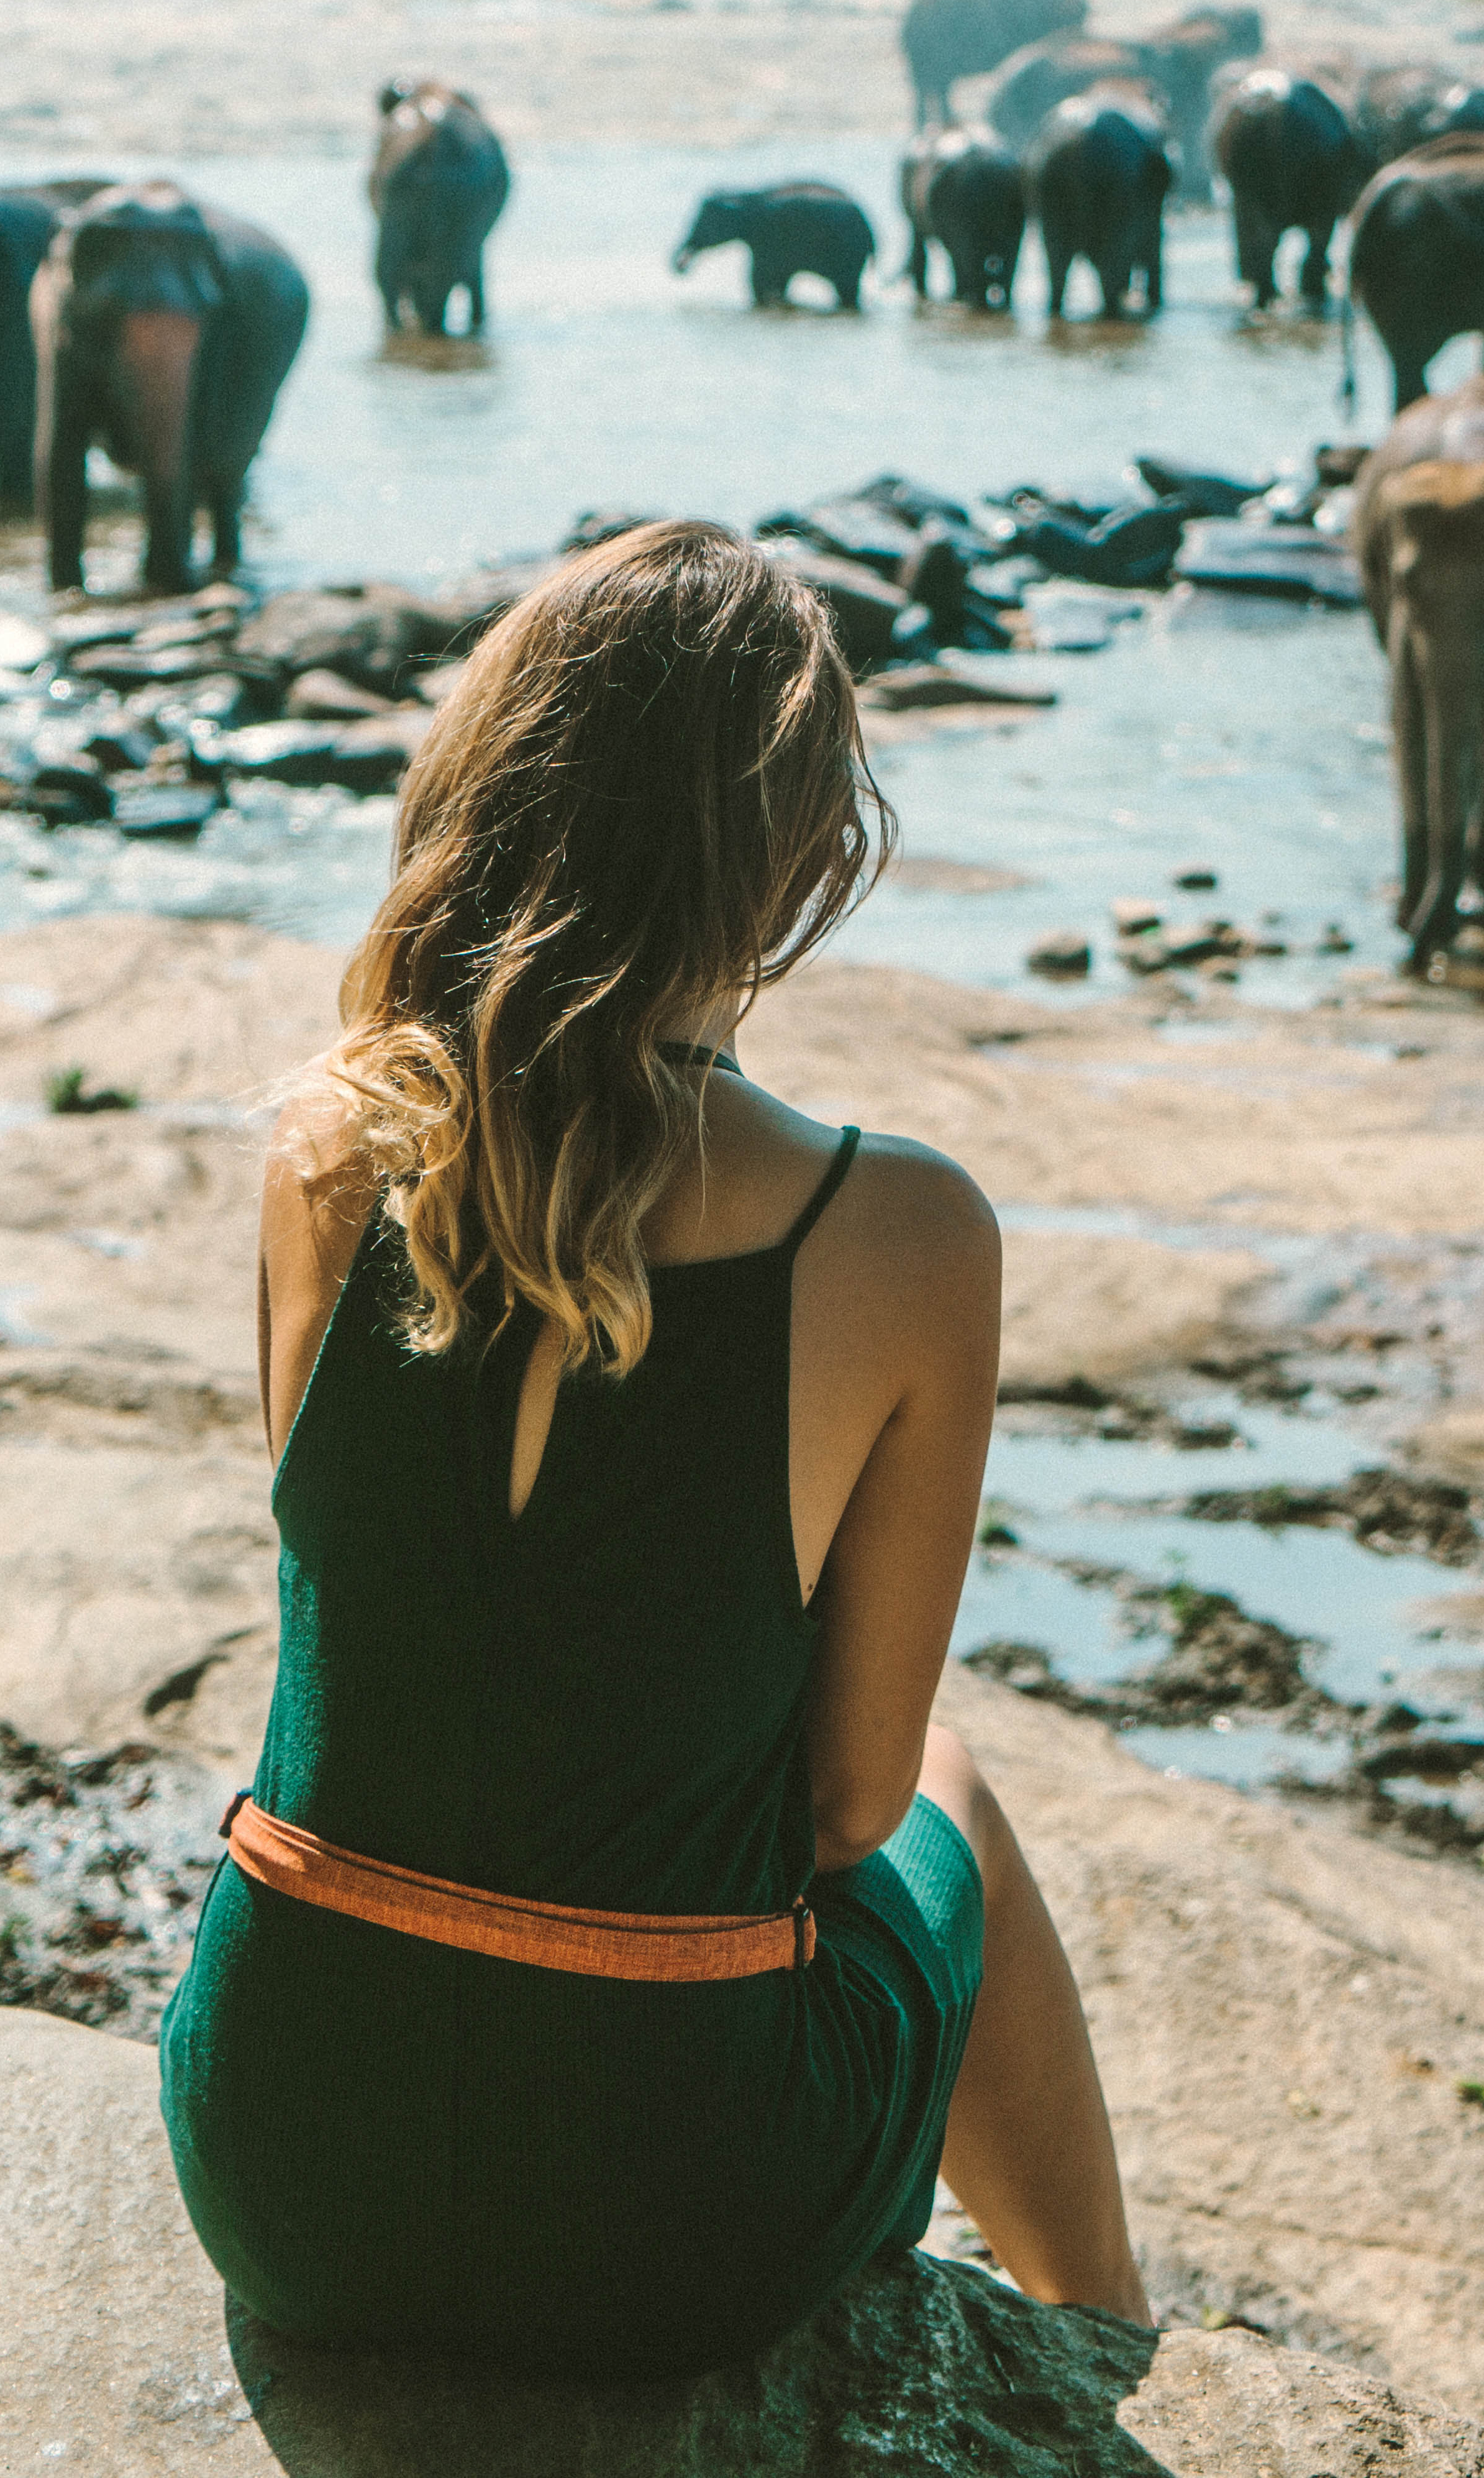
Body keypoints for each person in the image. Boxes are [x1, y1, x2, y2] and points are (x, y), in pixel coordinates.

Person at [162, 518, 1149, 2377]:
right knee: (947, 1785)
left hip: (287, 2160)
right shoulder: (898, 1233)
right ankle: (1100, 2343)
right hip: (669, 2212)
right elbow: (849, 1813)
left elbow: (389, 1616)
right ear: (804, 859)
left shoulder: (327, 1150)